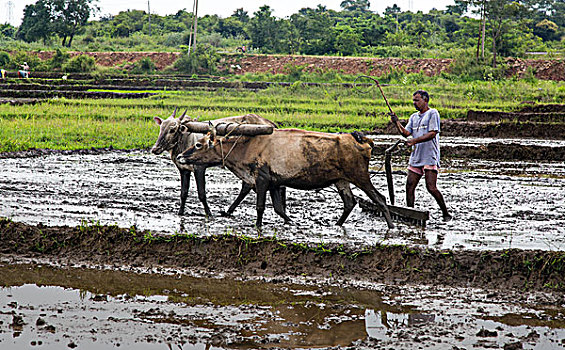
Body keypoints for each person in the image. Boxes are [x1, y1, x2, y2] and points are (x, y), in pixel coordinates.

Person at [389, 90, 452, 221]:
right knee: (410, 185)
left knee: (431, 187)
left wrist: (414, 141)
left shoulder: (432, 113)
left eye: (417, 100)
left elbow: (433, 133)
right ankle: (410, 213)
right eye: (413, 100)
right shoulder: (414, 117)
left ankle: (445, 213)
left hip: (429, 156)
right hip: (416, 156)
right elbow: (406, 133)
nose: (414, 103)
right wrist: (396, 122)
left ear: (425, 100)